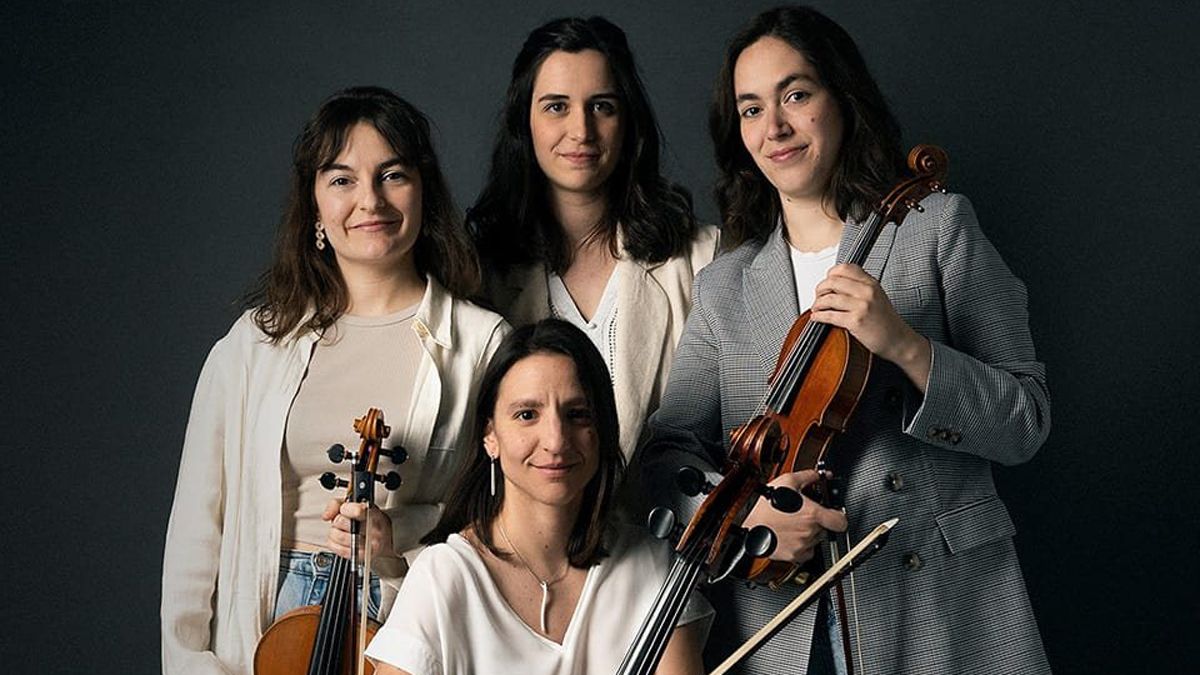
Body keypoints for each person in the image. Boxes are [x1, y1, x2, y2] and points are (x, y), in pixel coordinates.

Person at [637, 6, 1052, 674]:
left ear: (841, 100)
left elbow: (1025, 422)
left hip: (941, 603)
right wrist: (749, 516)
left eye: (796, 94)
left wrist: (906, 345)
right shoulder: (726, 286)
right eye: (750, 109)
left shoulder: (936, 229)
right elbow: (665, 456)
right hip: (785, 620)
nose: (774, 127)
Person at [160, 86, 509, 674]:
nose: (369, 200)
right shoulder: (254, 344)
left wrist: (392, 542)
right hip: (267, 620)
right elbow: (198, 527)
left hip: (404, 616)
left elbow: (499, 524)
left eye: (392, 175)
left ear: (423, 190)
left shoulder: (483, 343)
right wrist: (190, 662)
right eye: (342, 179)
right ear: (315, 205)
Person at [365, 319, 711, 675]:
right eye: (527, 415)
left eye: (577, 415)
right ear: (490, 435)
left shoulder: (652, 567)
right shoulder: (444, 576)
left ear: (601, 430)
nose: (556, 441)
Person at [469, 16, 720, 460]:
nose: (581, 130)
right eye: (556, 106)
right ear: (523, 123)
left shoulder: (702, 260)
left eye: (602, 106)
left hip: (672, 526)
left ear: (628, 122)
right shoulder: (481, 274)